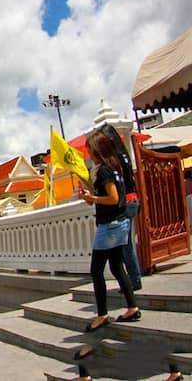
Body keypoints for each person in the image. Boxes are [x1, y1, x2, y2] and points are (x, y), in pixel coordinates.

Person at [79, 129, 140, 332]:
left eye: (90, 150)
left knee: (96, 270)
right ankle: (132, 307)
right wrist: (92, 197)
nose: (89, 154)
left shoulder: (105, 171)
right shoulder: (115, 167)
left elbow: (113, 198)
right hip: (120, 222)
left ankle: (102, 314)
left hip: (109, 226)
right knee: (116, 266)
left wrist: (94, 199)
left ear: (97, 150)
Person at [98, 123, 142, 291]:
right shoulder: (124, 155)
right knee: (125, 245)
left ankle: (134, 281)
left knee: (125, 246)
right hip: (133, 199)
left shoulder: (113, 160)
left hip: (125, 202)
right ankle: (133, 279)